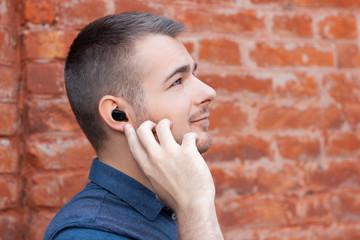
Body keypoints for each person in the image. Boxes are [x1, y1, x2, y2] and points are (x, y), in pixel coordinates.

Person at [43, 12, 223, 240]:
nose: (209, 92)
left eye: (193, 74)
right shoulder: (89, 232)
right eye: (177, 81)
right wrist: (195, 208)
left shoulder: (170, 206)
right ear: (119, 115)